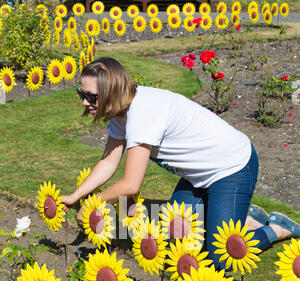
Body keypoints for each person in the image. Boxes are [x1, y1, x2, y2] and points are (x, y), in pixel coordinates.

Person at [62, 57, 300, 269]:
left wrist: (93, 202)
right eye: (81, 94)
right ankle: (248, 217)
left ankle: (276, 229)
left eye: (91, 97)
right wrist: (75, 196)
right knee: (179, 238)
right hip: (198, 177)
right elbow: (108, 162)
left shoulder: (143, 114)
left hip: (232, 168)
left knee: (219, 258)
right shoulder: (120, 114)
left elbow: (130, 185)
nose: (84, 102)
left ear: (112, 91)